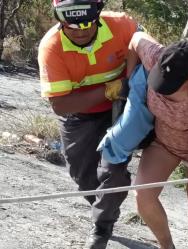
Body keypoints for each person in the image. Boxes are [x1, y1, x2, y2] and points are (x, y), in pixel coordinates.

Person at [100, 31, 188, 249]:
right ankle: (166, 246)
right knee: (143, 196)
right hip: (164, 142)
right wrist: (130, 78)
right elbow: (134, 38)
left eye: (169, 90)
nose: (161, 92)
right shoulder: (156, 55)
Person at [37, 1, 152, 248]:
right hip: (79, 115)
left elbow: (147, 48)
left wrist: (131, 81)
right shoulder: (51, 47)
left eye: (86, 25)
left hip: (121, 109)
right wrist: (110, 90)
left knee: (111, 170)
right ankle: (110, 197)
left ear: (97, 15)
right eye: (71, 26)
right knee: (84, 178)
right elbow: (61, 105)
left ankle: (102, 228)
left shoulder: (121, 25)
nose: (79, 31)